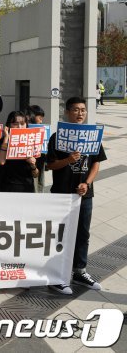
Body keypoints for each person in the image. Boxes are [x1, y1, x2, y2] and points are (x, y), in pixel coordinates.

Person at [46, 97, 106, 295]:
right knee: (60, 234)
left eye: (83, 110)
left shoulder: (92, 135)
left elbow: (96, 162)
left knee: (83, 233)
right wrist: (68, 160)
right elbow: (50, 165)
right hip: (61, 194)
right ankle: (57, 275)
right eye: (76, 110)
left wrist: (86, 184)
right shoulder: (58, 137)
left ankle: (80, 271)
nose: (80, 113)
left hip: (84, 194)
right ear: (67, 112)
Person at [0, 111, 39, 192]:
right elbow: (1, 162)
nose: (19, 127)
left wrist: (33, 165)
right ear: (9, 125)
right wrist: (6, 138)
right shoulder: (1, 142)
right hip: (6, 187)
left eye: (22, 123)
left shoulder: (32, 142)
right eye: (15, 124)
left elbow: (36, 174)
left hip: (27, 187)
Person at [25, 104, 47, 193]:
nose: (41, 122)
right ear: (31, 116)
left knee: (39, 185)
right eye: (40, 118)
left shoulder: (42, 130)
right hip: (27, 164)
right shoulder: (22, 129)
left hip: (39, 162)